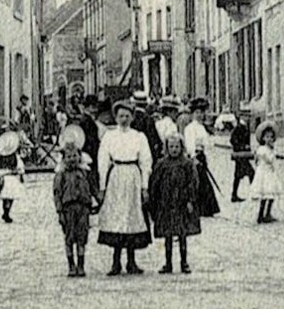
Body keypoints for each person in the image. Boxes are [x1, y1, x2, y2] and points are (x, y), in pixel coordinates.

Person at [96, 98, 154, 275]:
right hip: (116, 178)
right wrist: (102, 186)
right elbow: (103, 161)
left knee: (131, 217)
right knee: (116, 217)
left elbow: (146, 162)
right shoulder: (109, 136)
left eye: (127, 116)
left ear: (132, 117)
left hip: (133, 177)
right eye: (120, 116)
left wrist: (144, 186)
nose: (123, 119)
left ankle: (131, 261)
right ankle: (115, 262)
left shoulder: (139, 137)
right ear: (115, 117)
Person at [146, 133, 201, 274]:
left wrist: (190, 200)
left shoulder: (187, 164)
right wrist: (154, 202)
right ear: (166, 148)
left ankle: (184, 262)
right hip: (166, 203)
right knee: (168, 234)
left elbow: (193, 183)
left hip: (181, 202)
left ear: (182, 147)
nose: (174, 149)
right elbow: (155, 184)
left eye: (177, 146)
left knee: (182, 233)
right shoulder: (161, 164)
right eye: (171, 146)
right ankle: (168, 263)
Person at [52, 143, 98, 277]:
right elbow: (57, 193)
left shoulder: (84, 172)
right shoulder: (61, 174)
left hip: (83, 208)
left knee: (82, 236)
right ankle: (71, 264)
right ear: (64, 159)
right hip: (68, 209)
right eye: (69, 156)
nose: (72, 159)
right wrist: (59, 211)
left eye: (75, 156)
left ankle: (81, 264)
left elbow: (92, 187)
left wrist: (98, 200)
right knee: (69, 237)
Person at [182, 98, 221, 217]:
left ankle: (206, 208)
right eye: (197, 113)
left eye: (201, 112)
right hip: (195, 156)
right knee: (197, 182)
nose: (199, 115)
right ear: (192, 114)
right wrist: (194, 157)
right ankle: (197, 208)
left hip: (202, 155)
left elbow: (206, 143)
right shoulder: (190, 128)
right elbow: (189, 143)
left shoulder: (202, 127)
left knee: (204, 182)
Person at [251, 121, 283, 223]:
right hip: (264, 174)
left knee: (270, 194)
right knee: (265, 195)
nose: (269, 139)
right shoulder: (263, 149)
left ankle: (267, 213)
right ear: (263, 138)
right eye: (267, 137)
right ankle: (261, 215)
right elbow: (268, 159)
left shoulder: (268, 149)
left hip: (269, 173)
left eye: (271, 137)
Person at [0, 129, 26, 223]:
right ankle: (7, 211)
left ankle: (5, 210)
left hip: (3, 179)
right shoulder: (15, 157)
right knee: (11, 197)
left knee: (5, 197)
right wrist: (21, 175)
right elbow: (20, 167)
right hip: (12, 179)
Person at [77, 94, 102, 197]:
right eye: (93, 107)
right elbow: (90, 139)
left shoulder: (86, 119)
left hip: (89, 151)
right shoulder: (86, 120)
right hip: (90, 152)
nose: (95, 109)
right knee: (91, 178)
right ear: (89, 107)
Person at [130, 91, 164, 163]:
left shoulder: (130, 119)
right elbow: (153, 138)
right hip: (146, 153)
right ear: (146, 104)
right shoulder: (148, 119)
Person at [228, 114, 255, 202]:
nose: (248, 118)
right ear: (242, 117)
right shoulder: (239, 128)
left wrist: (248, 148)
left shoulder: (245, 127)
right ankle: (253, 193)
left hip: (243, 155)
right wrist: (242, 146)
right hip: (240, 155)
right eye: (246, 116)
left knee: (239, 176)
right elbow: (232, 140)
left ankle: (234, 195)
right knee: (251, 173)